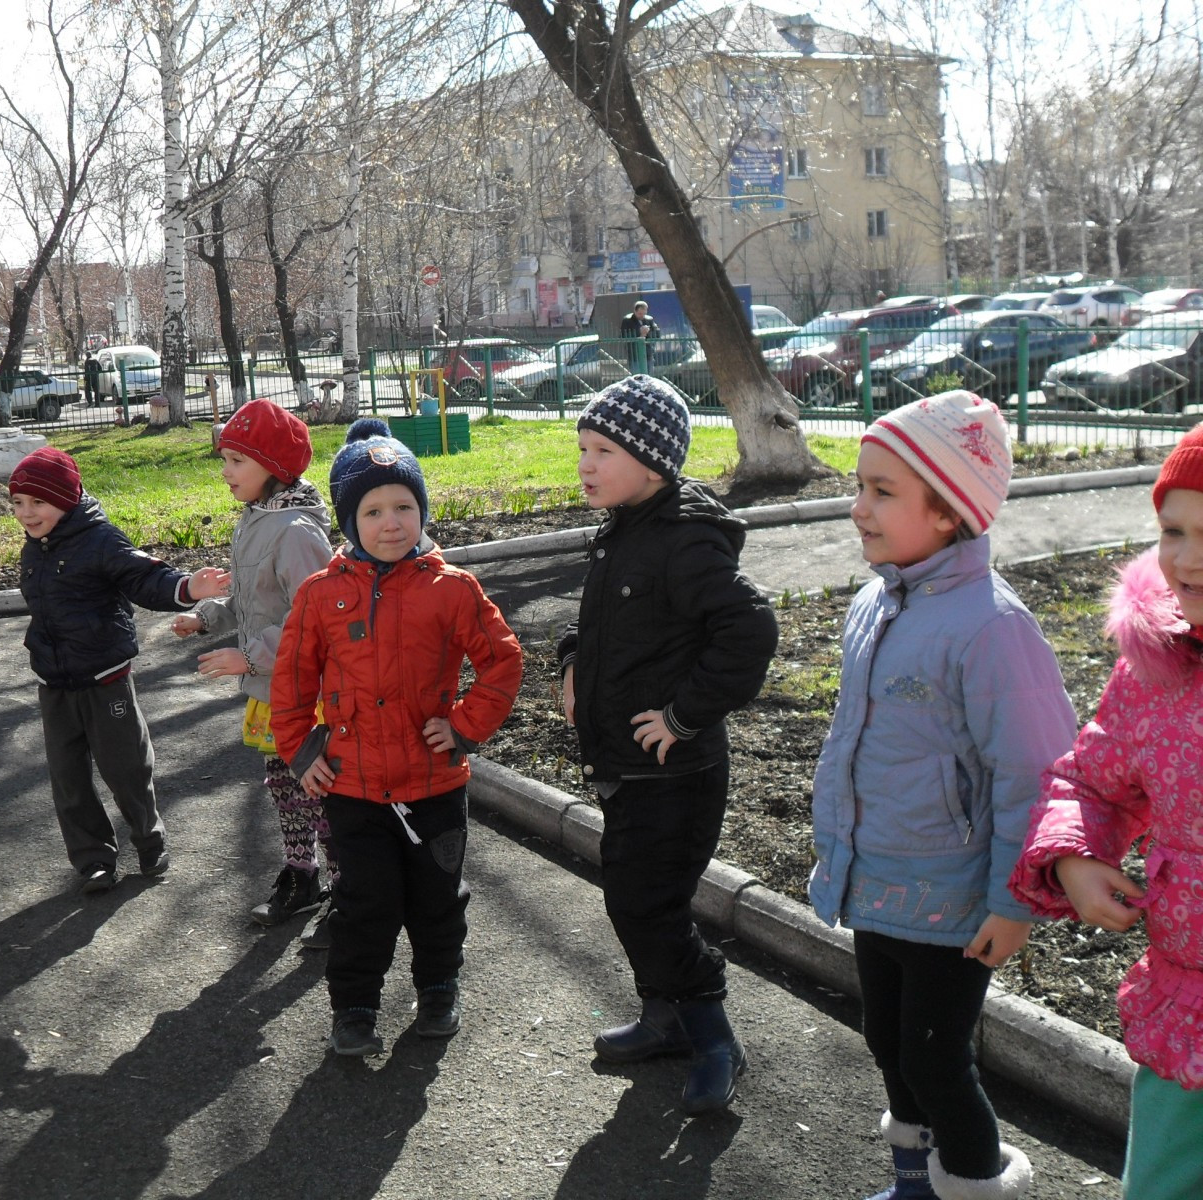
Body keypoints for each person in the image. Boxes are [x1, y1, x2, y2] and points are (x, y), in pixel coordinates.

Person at [810, 391, 1077, 1199]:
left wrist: (1014, 900)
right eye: (859, 486)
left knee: (934, 1055)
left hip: (955, 898)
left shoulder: (992, 628)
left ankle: (975, 1179)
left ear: (952, 511)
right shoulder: (876, 603)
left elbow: (1035, 775)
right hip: (879, 881)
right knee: (887, 1043)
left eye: (883, 492)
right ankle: (915, 1181)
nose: (858, 507)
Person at [556, 375, 777, 1116]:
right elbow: (613, 626)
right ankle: (665, 1017)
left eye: (602, 450)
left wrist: (683, 715)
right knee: (631, 899)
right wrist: (571, 660)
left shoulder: (683, 539)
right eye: (582, 447)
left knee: (648, 905)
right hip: (625, 765)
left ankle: (714, 1036)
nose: (585, 464)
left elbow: (749, 632)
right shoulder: (624, 527)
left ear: (651, 462)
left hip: (674, 772)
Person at [272, 419, 522, 1057]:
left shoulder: (452, 590)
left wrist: (465, 726)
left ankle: (439, 986)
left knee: (437, 898)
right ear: (349, 521)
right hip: (352, 787)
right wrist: (302, 752)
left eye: (405, 507)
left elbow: (501, 661)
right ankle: (354, 1007)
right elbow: (292, 681)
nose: (391, 523)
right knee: (364, 902)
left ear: (423, 510)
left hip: (434, 783)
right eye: (373, 510)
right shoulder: (319, 595)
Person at [1009, 424, 1203, 1200]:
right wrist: (1075, 859)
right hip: (1188, 1011)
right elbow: (1087, 783)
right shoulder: (1155, 672)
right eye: (1173, 531)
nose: (1187, 558)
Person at [10, 447, 229, 894]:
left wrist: (188, 587)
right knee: (68, 778)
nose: (27, 514)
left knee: (125, 766)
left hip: (104, 676)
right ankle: (93, 858)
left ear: (66, 500)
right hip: (54, 681)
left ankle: (148, 836)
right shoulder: (37, 547)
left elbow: (144, 578)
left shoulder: (99, 539)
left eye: (38, 503)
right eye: (18, 503)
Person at [173, 400, 338, 942]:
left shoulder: (294, 531)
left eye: (236, 461)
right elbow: (254, 603)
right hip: (271, 687)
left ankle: (348, 882)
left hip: (305, 689)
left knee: (319, 784)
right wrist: (207, 617)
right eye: (224, 459)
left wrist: (248, 657)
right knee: (284, 781)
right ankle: (303, 871)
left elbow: (311, 619)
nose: (224, 472)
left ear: (272, 465)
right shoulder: (257, 521)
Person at [619, 301, 660, 373]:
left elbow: (657, 334)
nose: (642, 316)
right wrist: (639, 332)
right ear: (635, 311)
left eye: (644, 313)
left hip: (648, 354)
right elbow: (623, 336)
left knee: (649, 378)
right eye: (640, 314)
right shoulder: (627, 320)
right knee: (637, 378)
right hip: (635, 355)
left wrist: (647, 332)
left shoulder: (649, 320)